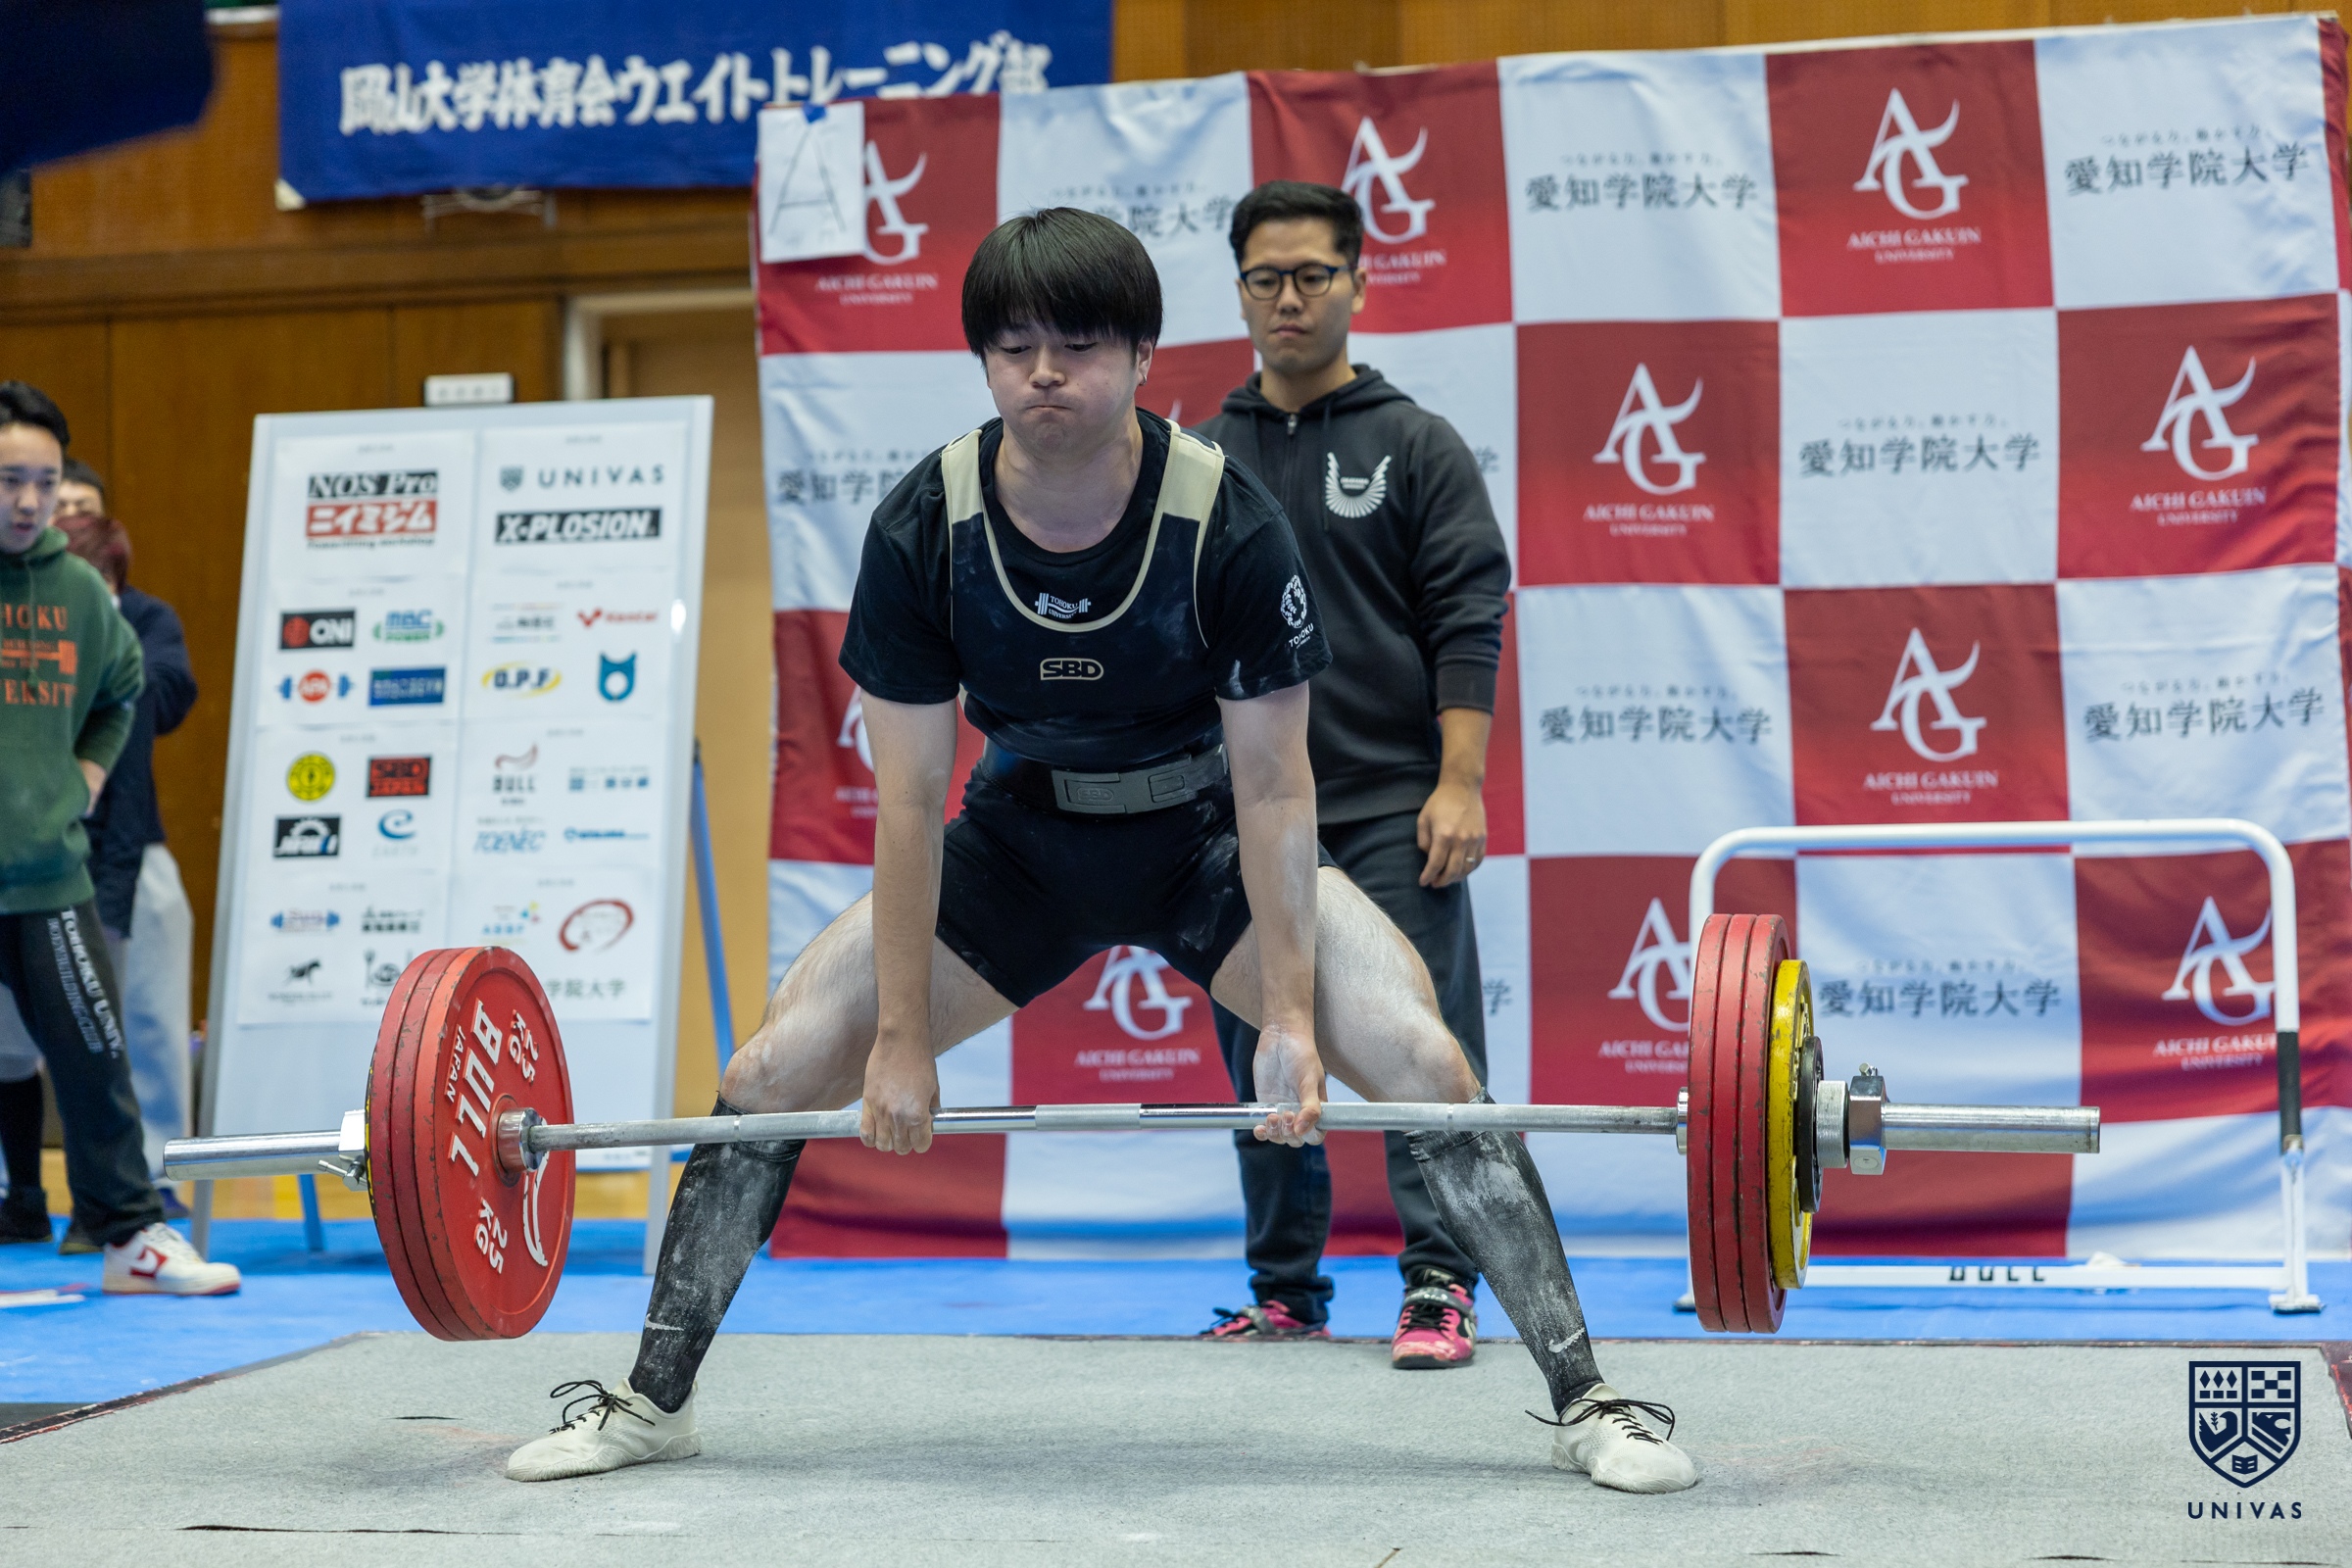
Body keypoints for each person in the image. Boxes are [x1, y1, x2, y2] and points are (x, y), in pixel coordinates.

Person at [502, 213, 1695, 1494]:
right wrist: (897, 1036)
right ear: (982, 360)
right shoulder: (925, 524)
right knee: (773, 1066)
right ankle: (654, 1400)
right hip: (1019, 845)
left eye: (1077, 346)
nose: (1044, 374)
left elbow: (1274, 787)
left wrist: (1292, 1016)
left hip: (1201, 838)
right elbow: (908, 802)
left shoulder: (1224, 519)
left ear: (1139, 356)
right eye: (1014, 347)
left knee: (1426, 1061)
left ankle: (1589, 1400)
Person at [1188, 181, 1510, 1370]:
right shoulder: (1197, 460)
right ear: (1239, 293)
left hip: (1390, 804)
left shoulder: (1415, 444)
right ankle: (1285, 1290)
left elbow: (1466, 615)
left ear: (1358, 284)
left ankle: (1441, 1283)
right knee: (1260, 1049)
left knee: (1423, 1046)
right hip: (1245, 816)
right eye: (1265, 277)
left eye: (1313, 274)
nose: (1289, 297)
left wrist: (1459, 782)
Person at [0, 381, 235, 1295]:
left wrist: (86, 777)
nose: (29, 500)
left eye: (43, 480)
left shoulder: (76, 591)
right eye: (10, 480)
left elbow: (125, 687)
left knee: (95, 1057)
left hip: (49, 878)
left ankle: (132, 1238)